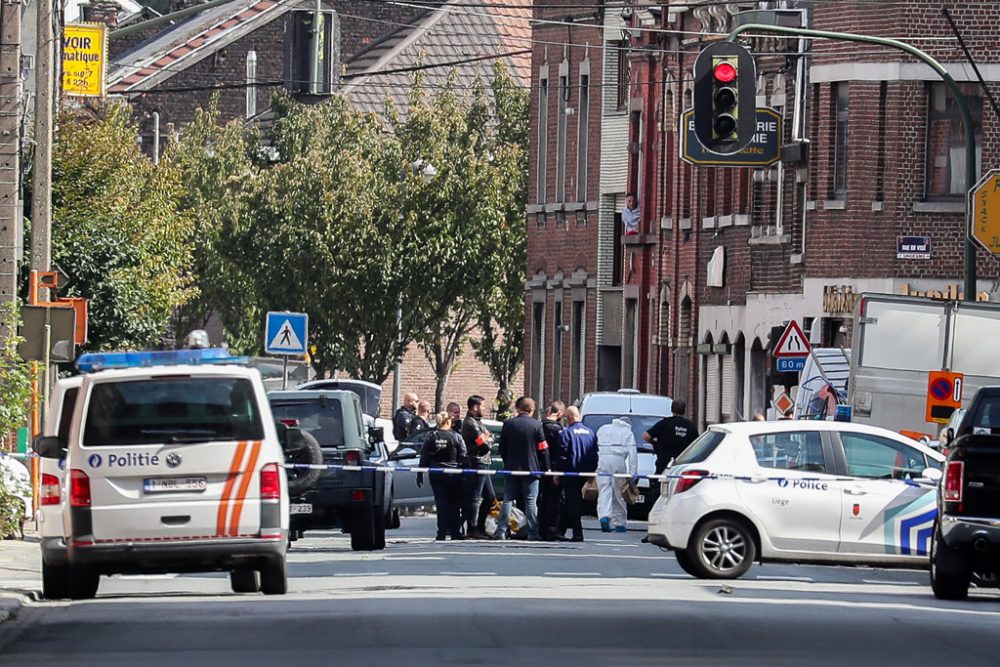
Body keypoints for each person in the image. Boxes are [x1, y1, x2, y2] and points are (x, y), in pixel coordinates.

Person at [494, 396, 550, 540]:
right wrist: (546, 467)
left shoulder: (508, 424)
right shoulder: (537, 425)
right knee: (531, 501)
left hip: (511, 468)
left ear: (518, 408)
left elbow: (502, 448)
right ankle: (532, 532)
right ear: (531, 410)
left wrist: (508, 462)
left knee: (507, 500)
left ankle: (501, 531)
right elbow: (543, 449)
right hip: (532, 469)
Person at [417, 412, 468, 541]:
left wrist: (420, 473)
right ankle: (455, 532)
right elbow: (463, 456)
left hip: (436, 473)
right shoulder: (456, 437)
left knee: (441, 503)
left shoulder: (431, 436)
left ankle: (441, 532)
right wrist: (466, 474)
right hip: (454, 473)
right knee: (455, 504)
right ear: (448, 422)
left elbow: (424, 456)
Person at [558, 407, 598, 542]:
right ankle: (559, 530)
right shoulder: (590, 433)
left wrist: (558, 473)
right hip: (585, 473)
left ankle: (578, 533)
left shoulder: (567, 433)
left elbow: (562, 455)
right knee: (568, 502)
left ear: (569, 417)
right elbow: (594, 455)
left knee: (572, 503)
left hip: (570, 473)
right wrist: (592, 472)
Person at [461, 395, 496, 539]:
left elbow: (491, 436)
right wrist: (488, 439)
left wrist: (489, 437)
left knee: (490, 496)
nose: (485, 409)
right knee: (476, 497)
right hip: (477, 461)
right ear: (475, 407)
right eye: (482, 406)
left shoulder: (477, 422)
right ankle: (472, 528)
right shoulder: (470, 423)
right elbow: (485, 444)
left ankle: (480, 527)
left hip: (484, 461)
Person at [595, 416, 637, 533]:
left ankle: (604, 517)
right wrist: (632, 474)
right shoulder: (627, 433)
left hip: (602, 460)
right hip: (618, 462)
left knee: (604, 491)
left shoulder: (603, 428)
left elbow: (595, 445)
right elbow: (633, 454)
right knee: (619, 493)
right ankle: (620, 523)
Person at [642, 399, 698, 475]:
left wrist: (655, 444)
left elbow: (646, 436)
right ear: (684, 410)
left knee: (659, 484)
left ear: (671, 409)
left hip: (664, 463)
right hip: (682, 465)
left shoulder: (664, 423)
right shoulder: (690, 426)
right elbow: (697, 445)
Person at [537, 401, 565, 540]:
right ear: (560, 414)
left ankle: (539, 528)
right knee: (554, 500)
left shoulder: (539, 427)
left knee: (541, 499)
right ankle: (552, 529)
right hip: (554, 468)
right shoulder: (558, 430)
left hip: (539, 468)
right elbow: (561, 451)